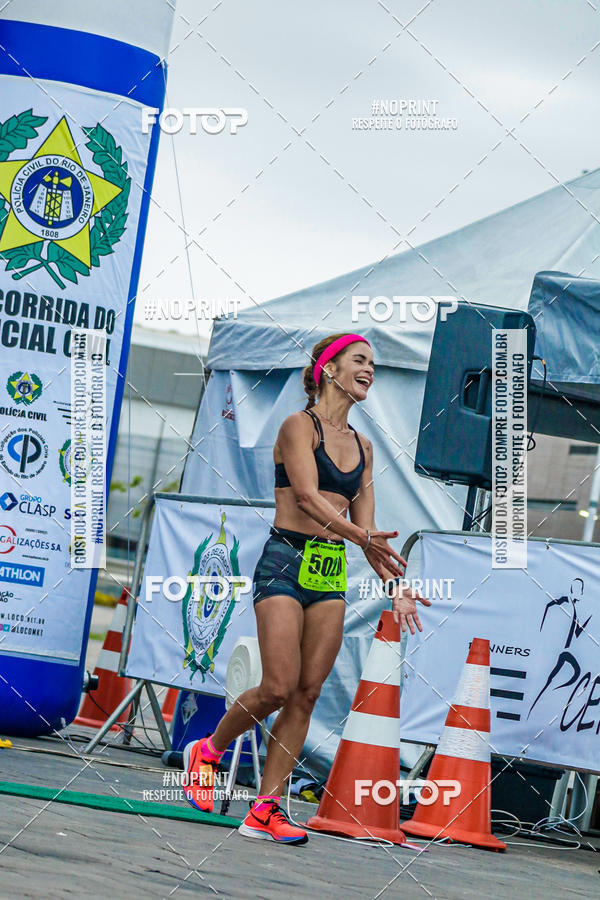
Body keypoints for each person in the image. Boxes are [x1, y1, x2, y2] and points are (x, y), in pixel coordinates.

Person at [183, 332, 431, 844]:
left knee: (307, 693)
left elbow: (371, 534)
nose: (369, 370)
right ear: (329, 368)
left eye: (372, 365)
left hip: (329, 569)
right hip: (283, 561)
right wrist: (363, 535)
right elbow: (308, 497)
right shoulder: (299, 426)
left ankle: (266, 810)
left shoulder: (363, 446)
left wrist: (396, 585)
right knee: (277, 685)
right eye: (359, 361)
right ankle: (206, 751)